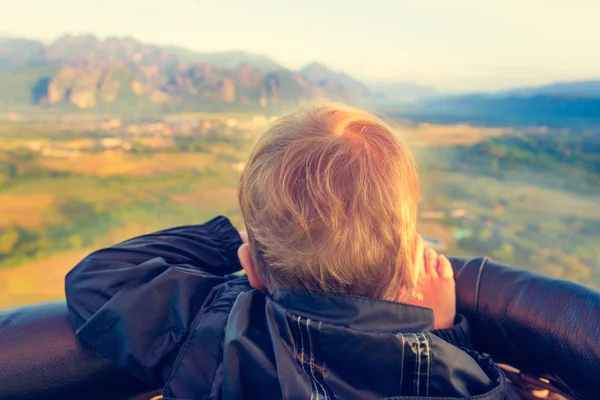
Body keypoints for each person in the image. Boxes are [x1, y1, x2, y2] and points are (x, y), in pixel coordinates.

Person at [65, 103, 511, 399]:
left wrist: (237, 240)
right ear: (411, 265)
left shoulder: (214, 329)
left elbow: (97, 277)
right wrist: (446, 334)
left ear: (252, 270)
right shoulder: (455, 374)